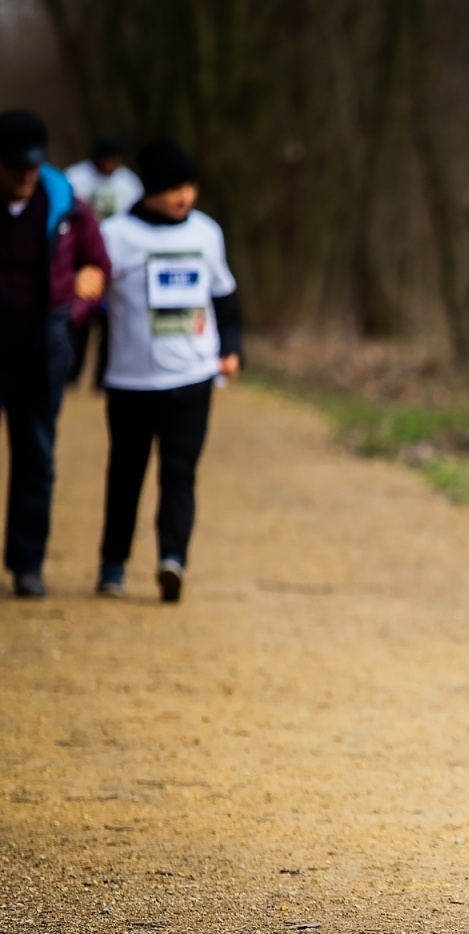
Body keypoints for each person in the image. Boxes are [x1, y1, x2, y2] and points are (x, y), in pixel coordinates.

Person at [96, 138, 241, 603]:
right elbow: (91, 297)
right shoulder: (116, 236)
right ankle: (112, 565)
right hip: (132, 379)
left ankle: (172, 560)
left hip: (192, 377)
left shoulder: (206, 233)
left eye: (190, 187)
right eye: (174, 189)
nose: (185, 198)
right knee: (126, 472)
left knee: (179, 472)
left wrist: (231, 348)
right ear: (150, 191)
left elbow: (224, 295)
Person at [0, 108, 109, 598]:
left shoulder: (66, 205)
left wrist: (75, 311)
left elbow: (97, 265)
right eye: (14, 166)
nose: (25, 176)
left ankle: (28, 564)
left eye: (32, 165)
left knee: (36, 459)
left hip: (41, 352)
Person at [65, 134, 142, 390]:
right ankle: (72, 373)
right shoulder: (76, 178)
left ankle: (102, 377)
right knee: (82, 313)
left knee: (110, 321)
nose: (110, 165)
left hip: (116, 258)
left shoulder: (130, 184)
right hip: (83, 257)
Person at [65, 134, 143, 221]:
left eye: (114, 161)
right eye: (106, 161)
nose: (109, 166)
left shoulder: (129, 181)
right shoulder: (75, 176)